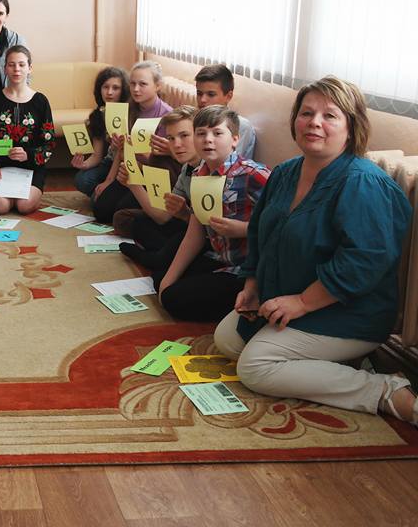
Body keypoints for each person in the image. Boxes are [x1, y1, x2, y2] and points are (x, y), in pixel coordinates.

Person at [214, 76, 416, 425]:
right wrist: (252, 286)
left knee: (255, 367)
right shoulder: (286, 172)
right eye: (306, 113)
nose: (314, 122)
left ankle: (383, 390)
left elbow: (363, 263)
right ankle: (333, 362)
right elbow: (261, 233)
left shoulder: (363, 182)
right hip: (286, 297)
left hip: (349, 311)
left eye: (330, 116)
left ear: (351, 127)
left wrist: (303, 302)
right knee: (227, 341)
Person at [156, 105, 269, 322]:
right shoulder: (200, 174)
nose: (208, 140)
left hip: (246, 270)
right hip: (220, 258)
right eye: (201, 133)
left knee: (173, 299)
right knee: (161, 278)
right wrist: (167, 281)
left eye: (217, 133)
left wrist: (245, 229)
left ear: (234, 140)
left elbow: (284, 224)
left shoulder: (253, 174)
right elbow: (194, 234)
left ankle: (250, 305)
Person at [118, 106, 200, 270]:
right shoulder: (187, 169)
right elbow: (163, 216)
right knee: (138, 223)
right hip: (190, 230)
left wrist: (185, 215)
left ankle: (154, 257)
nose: (176, 144)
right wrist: (133, 184)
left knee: (162, 267)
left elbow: (207, 230)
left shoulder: (208, 168)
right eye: (171, 138)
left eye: (184, 135)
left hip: (207, 240)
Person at [91, 61, 174, 223]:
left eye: (142, 84)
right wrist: (109, 180)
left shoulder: (167, 116)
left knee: (119, 212)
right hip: (129, 171)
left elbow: (162, 164)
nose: (136, 89)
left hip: (152, 176)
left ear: (157, 86)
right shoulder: (128, 109)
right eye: (132, 84)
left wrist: (135, 151)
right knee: (99, 209)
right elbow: (121, 153)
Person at [0, 46, 55, 214]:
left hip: (31, 167)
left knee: (24, 206)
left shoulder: (40, 101)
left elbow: (49, 144)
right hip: (1, 168)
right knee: (1, 207)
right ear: (5, 68)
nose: (16, 69)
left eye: (21, 64)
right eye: (11, 65)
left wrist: (28, 155)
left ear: (30, 68)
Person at [72, 66, 131, 197]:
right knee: (82, 180)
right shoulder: (98, 114)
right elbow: (97, 156)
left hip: (126, 164)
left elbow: (123, 154)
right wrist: (83, 165)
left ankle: (104, 197)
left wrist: (109, 180)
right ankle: (102, 195)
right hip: (108, 162)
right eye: (105, 87)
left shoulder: (130, 113)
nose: (109, 92)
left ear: (123, 90)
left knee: (102, 196)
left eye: (115, 88)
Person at [194, 64, 256, 159]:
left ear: (228, 96)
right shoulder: (195, 120)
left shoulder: (240, 126)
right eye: (199, 93)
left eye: (211, 94)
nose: (202, 100)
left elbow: (228, 162)